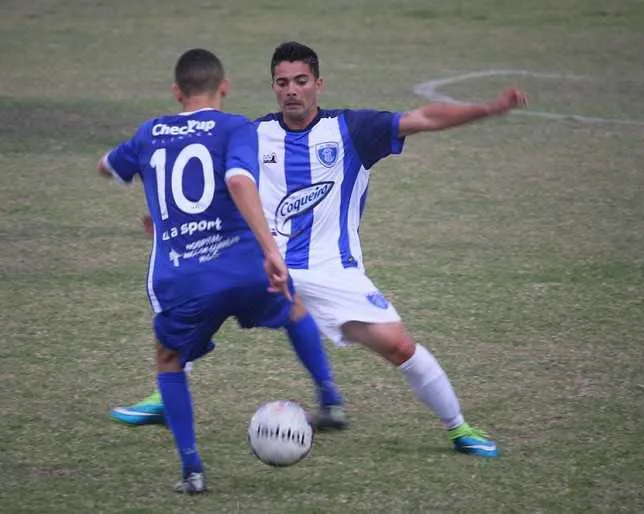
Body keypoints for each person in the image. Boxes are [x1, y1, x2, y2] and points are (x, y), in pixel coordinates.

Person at [114, 41, 528, 458]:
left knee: (399, 346)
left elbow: (424, 117)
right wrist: (169, 225)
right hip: (263, 264)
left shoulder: (352, 129)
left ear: (318, 84)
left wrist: (488, 109)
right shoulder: (252, 133)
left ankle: (458, 428)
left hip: (332, 270)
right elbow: (210, 186)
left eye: (301, 81)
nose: (291, 90)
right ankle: (164, 398)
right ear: (273, 87)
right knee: (197, 308)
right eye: (282, 82)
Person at [98, 48, 346, 494]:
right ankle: (329, 397)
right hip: (243, 269)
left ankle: (192, 470)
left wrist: (159, 206)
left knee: (168, 359)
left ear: (177, 91)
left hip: (183, 280)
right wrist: (271, 251)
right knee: (293, 308)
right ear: (224, 88)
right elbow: (236, 180)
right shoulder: (237, 126)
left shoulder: (149, 132)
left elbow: (107, 168)